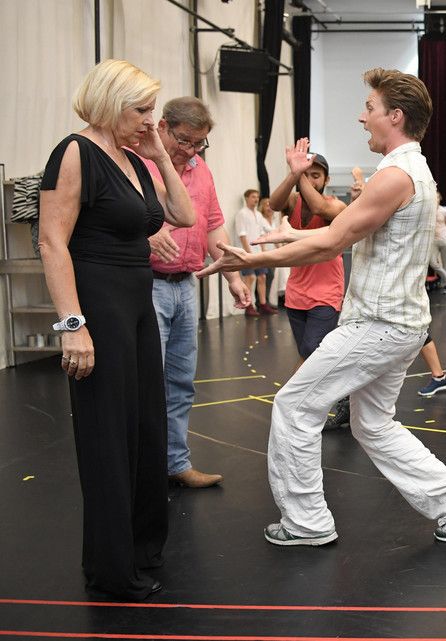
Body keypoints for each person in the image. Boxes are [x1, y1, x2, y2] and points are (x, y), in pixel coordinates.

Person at [199, 67, 446, 545]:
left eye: (370, 108)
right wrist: (290, 234)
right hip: (400, 324)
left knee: (295, 406)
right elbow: (342, 225)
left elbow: (332, 243)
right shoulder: (410, 170)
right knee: (372, 424)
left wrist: (251, 258)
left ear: (395, 116)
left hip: (379, 325)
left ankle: (306, 522)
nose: (361, 117)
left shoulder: (395, 175)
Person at [38, 60, 196, 599]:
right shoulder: (74, 152)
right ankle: (110, 569)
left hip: (136, 306)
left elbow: (184, 216)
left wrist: (159, 156)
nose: (151, 120)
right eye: (141, 109)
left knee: (145, 430)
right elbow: (51, 242)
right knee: (107, 437)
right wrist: (72, 326)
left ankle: (141, 549)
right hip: (98, 307)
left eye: (153, 109)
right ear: (109, 103)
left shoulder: (133, 159)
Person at [144, 96, 252, 490]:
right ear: (163, 127)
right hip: (147, 285)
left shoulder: (200, 169)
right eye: (184, 141)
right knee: (148, 383)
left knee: (180, 382)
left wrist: (232, 277)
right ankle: (145, 471)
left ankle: (176, 463)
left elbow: (213, 225)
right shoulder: (137, 163)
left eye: (198, 143)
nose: (191, 150)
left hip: (186, 286)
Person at [267, 146, 345, 364]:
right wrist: (294, 172)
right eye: (306, 174)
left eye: (315, 176)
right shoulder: (293, 201)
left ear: (327, 180)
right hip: (297, 292)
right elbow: (274, 204)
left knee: (312, 348)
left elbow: (319, 208)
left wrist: (299, 173)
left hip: (326, 293)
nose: (310, 180)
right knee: (307, 353)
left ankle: (298, 386)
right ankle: (315, 386)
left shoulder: (336, 205)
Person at [236, 190, 276, 317]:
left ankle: (263, 305)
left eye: (257, 197)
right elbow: (242, 234)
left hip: (258, 253)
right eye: (253, 197)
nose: (256, 199)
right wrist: (248, 252)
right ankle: (248, 306)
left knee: (262, 277)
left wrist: (263, 250)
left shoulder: (258, 215)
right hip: (247, 253)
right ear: (246, 198)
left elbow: (264, 232)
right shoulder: (242, 214)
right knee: (250, 277)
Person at [430, 191, 446, 292]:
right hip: (433, 241)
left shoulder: (444, 211)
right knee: (432, 262)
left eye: (437, 197)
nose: (435, 199)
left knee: (445, 264)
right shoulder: (429, 211)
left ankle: (445, 285)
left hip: (444, 239)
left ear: (439, 199)